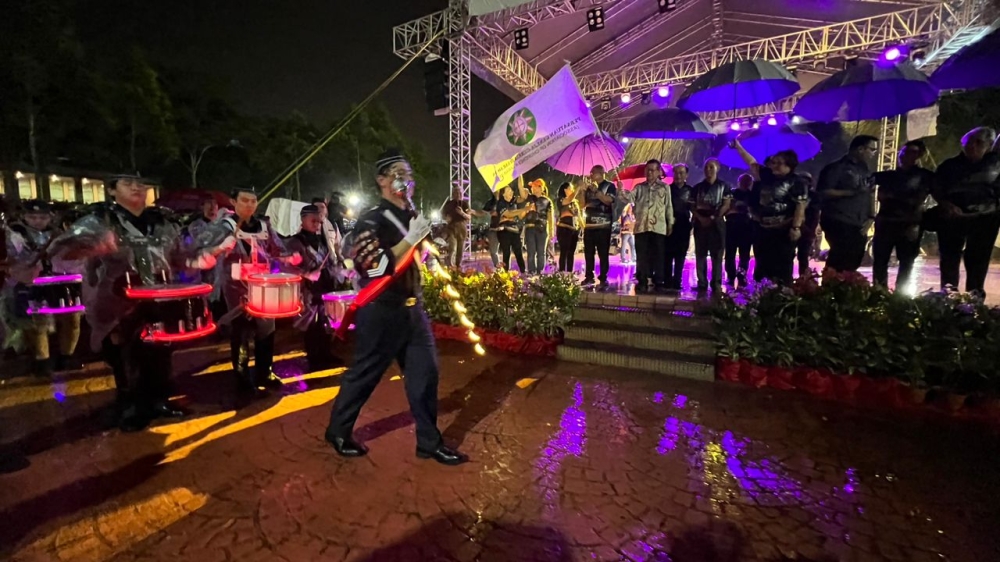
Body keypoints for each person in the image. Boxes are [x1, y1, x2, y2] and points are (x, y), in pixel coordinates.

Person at [325, 149, 467, 465]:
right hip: (381, 311)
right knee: (365, 374)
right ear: (382, 180)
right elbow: (376, 267)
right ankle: (338, 430)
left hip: (413, 309)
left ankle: (429, 442)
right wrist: (411, 240)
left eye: (408, 174)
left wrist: (426, 247)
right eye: (397, 173)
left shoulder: (410, 216)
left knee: (425, 374)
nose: (405, 180)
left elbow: (413, 259)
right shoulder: (371, 219)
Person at [49, 173, 218, 431]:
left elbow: (180, 256)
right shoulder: (99, 222)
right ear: (112, 191)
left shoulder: (162, 222)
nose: (137, 188)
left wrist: (198, 260)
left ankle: (160, 401)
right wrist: (89, 246)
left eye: (141, 184)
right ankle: (131, 407)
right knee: (126, 356)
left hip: (160, 299)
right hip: (117, 301)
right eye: (128, 184)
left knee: (160, 353)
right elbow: (60, 252)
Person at [193, 186, 301, 395]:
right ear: (234, 202)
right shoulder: (224, 226)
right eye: (244, 200)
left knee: (266, 329)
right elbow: (203, 250)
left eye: (253, 201)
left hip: (262, 286)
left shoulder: (263, 225)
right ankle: (242, 379)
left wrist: (289, 256)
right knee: (241, 331)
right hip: (236, 288)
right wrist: (218, 249)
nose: (249, 205)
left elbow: (277, 249)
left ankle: (265, 372)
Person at [3, 200, 84, 376]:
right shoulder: (14, 234)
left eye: (42, 217)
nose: (38, 221)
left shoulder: (60, 233)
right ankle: (42, 361)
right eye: (33, 217)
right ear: (24, 217)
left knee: (72, 319)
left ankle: (66, 357)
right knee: (36, 324)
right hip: (32, 283)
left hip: (63, 281)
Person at [932, 126, 1000, 297]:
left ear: (989, 145)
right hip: (952, 219)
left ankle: (974, 301)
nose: (973, 146)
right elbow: (936, 188)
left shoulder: (995, 164)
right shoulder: (949, 166)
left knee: (978, 261)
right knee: (949, 259)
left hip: (985, 220)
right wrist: (945, 203)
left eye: (979, 142)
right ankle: (948, 299)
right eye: (969, 142)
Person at [733, 140, 810, 285]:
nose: (774, 165)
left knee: (782, 265)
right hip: (763, 229)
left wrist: (796, 227)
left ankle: (782, 295)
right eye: (773, 162)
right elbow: (751, 163)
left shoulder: (797, 182)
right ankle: (761, 295)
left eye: (778, 163)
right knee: (762, 264)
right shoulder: (767, 175)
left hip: (783, 230)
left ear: (789, 165)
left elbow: (800, 206)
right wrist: (738, 147)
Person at [286, 205, 346, 371]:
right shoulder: (294, 242)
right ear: (303, 220)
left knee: (326, 324)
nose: (317, 224)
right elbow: (283, 267)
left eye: (319, 222)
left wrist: (343, 271)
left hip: (325, 287)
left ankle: (326, 354)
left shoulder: (322, 240)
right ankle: (313, 358)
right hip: (308, 290)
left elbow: (330, 264)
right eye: (313, 220)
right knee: (311, 326)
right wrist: (306, 273)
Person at [872, 140, 934, 291]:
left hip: (909, 224)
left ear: (920, 155)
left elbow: (928, 198)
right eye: (904, 151)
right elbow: (867, 184)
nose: (904, 155)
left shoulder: (925, 176)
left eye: (911, 152)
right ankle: (879, 293)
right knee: (880, 260)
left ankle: (901, 296)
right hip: (886, 222)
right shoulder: (888, 176)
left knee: (906, 262)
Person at [817, 135, 879, 273]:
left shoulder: (864, 169)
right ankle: (830, 289)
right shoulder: (836, 168)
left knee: (855, 258)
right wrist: (851, 192)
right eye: (872, 149)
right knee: (839, 258)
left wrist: (871, 216)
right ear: (861, 149)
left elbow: (869, 192)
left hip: (859, 221)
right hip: (838, 219)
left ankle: (847, 289)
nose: (873, 153)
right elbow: (824, 192)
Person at [620, 160, 673, 292]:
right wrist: (621, 191)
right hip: (641, 226)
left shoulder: (664, 187)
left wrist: (670, 223)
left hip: (658, 227)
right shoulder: (639, 187)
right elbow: (628, 198)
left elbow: (668, 206)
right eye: (647, 169)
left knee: (659, 255)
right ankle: (642, 280)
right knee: (642, 255)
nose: (649, 172)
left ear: (658, 172)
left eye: (653, 170)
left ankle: (659, 280)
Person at [690, 159, 732, 293]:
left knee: (717, 254)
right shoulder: (697, 188)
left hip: (717, 223)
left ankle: (716, 283)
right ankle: (702, 282)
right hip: (700, 223)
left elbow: (726, 204)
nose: (708, 170)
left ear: (717, 168)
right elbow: (692, 206)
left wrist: (714, 217)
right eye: (706, 167)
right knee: (700, 254)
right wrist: (701, 218)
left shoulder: (724, 186)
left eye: (711, 167)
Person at [581, 165, 617, 289]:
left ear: (601, 173)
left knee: (603, 252)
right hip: (589, 224)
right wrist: (581, 190)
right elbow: (582, 205)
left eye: (593, 173)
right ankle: (588, 276)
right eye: (591, 173)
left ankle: (603, 277)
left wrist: (596, 191)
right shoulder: (588, 188)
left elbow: (608, 201)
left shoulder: (610, 186)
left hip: (604, 225)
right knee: (588, 252)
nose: (591, 175)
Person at [665, 163, 693, 292]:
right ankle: (667, 280)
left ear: (686, 175)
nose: (678, 175)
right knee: (667, 254)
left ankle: (677, 280)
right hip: (668, 225)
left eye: (682, 173)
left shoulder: (691, 191)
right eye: (676, 173)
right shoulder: (667, 189)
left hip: (683, 225)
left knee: (681, 255)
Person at [725, 173, 754, 288]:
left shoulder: (752, 195)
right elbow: (727, 208)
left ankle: (742, 275)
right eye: (744, 181)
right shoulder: (732, 193)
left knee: (744, 254)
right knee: (730, 253)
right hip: (732, 227)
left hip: (746, 228)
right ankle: (731, 276)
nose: (745, 184)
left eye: (748, 181)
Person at [523, 179, 554, 275]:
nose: (533, 188)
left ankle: (541, 272)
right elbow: (523, 213)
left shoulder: (547, 201)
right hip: (530, 227)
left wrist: (551, 230)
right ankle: (531, 271)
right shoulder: (529, 199)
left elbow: (550, 216)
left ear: (541, 188)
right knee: (531, 252)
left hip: (542, 228)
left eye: (535, 186)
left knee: (541, 252)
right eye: (532, 186)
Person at [495, 185, 528, 272]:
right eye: (508, 190)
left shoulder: (514, 201)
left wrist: (520, 177)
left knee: (518, 251)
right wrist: (523, 209)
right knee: (506, 252)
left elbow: (523, 197)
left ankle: (523, 271)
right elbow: (508, 214)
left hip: (514, 229)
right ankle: (506, 272)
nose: (511, 192)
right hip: (504, 230)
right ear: (503, 194)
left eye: (511, 190)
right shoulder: (500, 203)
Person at [797, 173, 822, 279]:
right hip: (794, 227)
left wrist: (812, 228)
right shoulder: (794, 194)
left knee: (803, 255)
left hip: (807, 228)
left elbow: (816, 213)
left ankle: (803, 279)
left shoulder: (814, 196)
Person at [441, 187, 472, 268]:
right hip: (451, 228)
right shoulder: (448, 204)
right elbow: (443, 215)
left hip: (462, 229)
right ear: (453, 194)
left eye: (460, 193)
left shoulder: (465, 204)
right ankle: (450, 265)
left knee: (460, 250)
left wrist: (462, 213)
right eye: (456, 193)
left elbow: (469, 217)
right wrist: (446, 218)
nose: (458, 194)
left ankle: (458, 267)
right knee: (452, 248)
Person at [555, 182, 581, 273]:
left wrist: (583, 227)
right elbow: (568, 200)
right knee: (564, 251)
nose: (573, 190)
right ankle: (562, 272)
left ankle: (570, 273)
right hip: (564, 228)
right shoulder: (561, 200)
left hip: (574, 229)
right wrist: (578, 188)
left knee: (571, 253)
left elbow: (579, 216)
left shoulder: (575, 203)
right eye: (571, 188)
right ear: (565, 190)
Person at [481, 192, 502, 268]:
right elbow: (483, 213)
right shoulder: (490, 202)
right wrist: (490, 213)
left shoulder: (505, 200)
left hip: (504, 228)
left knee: (507, 251)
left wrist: (499, 213)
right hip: (493, 229)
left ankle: (507, 269)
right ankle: (498, 266)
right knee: (493, 251)